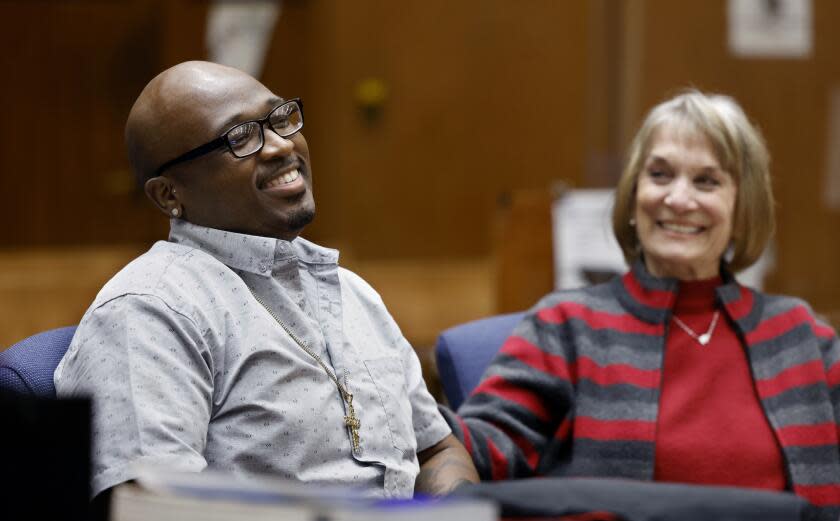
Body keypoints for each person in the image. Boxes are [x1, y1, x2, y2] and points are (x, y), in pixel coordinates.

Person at [54, 60, 478, 505]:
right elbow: (153, 506)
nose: (279, 146)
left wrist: (459, 511)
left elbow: (436, 448)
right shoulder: (150, 310)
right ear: (169, 194)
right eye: (239, 138)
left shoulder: (353, 293)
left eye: (280, 118)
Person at [444, 91, 840, 518]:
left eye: (707, 181)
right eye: (660, 175)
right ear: (633, 197)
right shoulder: (568, 326)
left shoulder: (802, 337)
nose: (678, 199)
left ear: (743, 209)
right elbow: (482, 447)